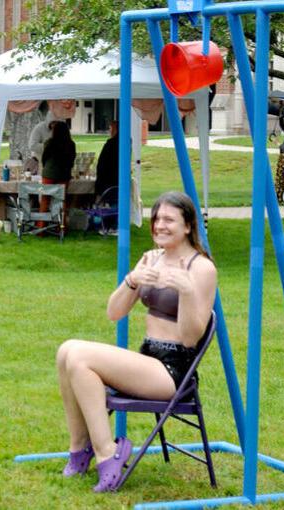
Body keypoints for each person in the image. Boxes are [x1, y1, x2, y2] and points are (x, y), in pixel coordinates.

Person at [55, 191, 217, 492]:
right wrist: (133, 280)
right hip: (148, 359)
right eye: (156, 219)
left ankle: (107, 453)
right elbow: (114, 312)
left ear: (187, 226)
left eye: (169, 219)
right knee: (66, 351)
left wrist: (186, 292)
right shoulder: (151, 258)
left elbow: (190, 338)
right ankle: (80, 449)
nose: (160, 226)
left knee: (80, 357)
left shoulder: (201, 268)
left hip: (173, 372)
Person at [40, 120, 76, 226]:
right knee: (61, 200)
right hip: (64, 174)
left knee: (45, 200)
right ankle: (61, 227)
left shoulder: (49, 142)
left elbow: (44, 158)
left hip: (49, 174)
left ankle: (41, 227)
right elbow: (72, 159)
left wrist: (46, 167)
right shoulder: (70, 144)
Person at [94, 120, 119, 201]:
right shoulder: (126, 142)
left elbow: (102, 163)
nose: (109, 131)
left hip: (108, 180)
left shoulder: (111, 143)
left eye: (110, 129)